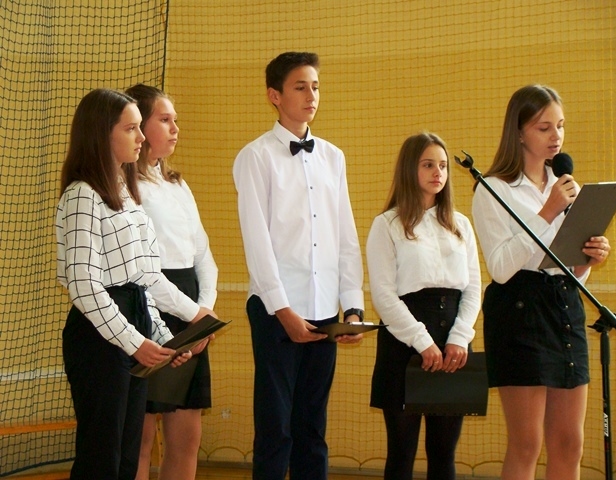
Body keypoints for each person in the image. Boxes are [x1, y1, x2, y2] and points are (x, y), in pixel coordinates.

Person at [56, 88, 207, 479]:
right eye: (131, 129)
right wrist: (134, 342)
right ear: (102, 133)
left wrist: (164, 339)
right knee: (101, 456)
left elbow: (144, 279)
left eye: (141, 127)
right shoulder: (82, 195)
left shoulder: (127, 194)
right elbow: (84, 285)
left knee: (126, 454)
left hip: (132, 325)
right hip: (98, 336)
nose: (141, 138)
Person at [232, 51, 365, 480]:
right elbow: (257, 242)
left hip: (325, 308)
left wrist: (352, 307)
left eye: (316, 86)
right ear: (274, 95)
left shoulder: (333, 157)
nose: (312, 95)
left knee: (312, 428)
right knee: (277, 429)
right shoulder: (255, 156)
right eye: (300, 86)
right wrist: (283, 310)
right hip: (276, 310)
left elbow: (345, 236)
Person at [471, 84, 611, 480]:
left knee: (569, 442)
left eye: (560, 126)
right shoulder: (493, 188)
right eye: (544, 128)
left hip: (564, 305)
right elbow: (501, 268)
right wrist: (548, 212)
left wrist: (588, 256)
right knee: (527, 443)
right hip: (519, 311)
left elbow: (567, 267)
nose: (556, 137)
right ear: (519, 132)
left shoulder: (564, 186)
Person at [366, 132, 481, 480]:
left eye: (443, 166)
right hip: (405, 344)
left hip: (453, 345)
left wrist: (460, 337)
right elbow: (384, 295)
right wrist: (422, 342)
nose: (438, 172)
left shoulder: (461, 225)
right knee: (401, 453)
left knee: (444, 453)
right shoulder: (386, 224)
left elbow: (473, 288)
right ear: (409, 169)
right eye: (428, 164)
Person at [124, 84, 219, 480]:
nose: (175, 128)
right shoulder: (125, 187)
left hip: (192, 311)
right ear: (139, 127)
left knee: (186, 437)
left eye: (175, 120)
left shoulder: (178, 185)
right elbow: (141, 270)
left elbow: (203, 256)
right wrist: (195, 314)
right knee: (140, 438)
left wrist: (204, 315)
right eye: (165, 120)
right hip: (148, 306)